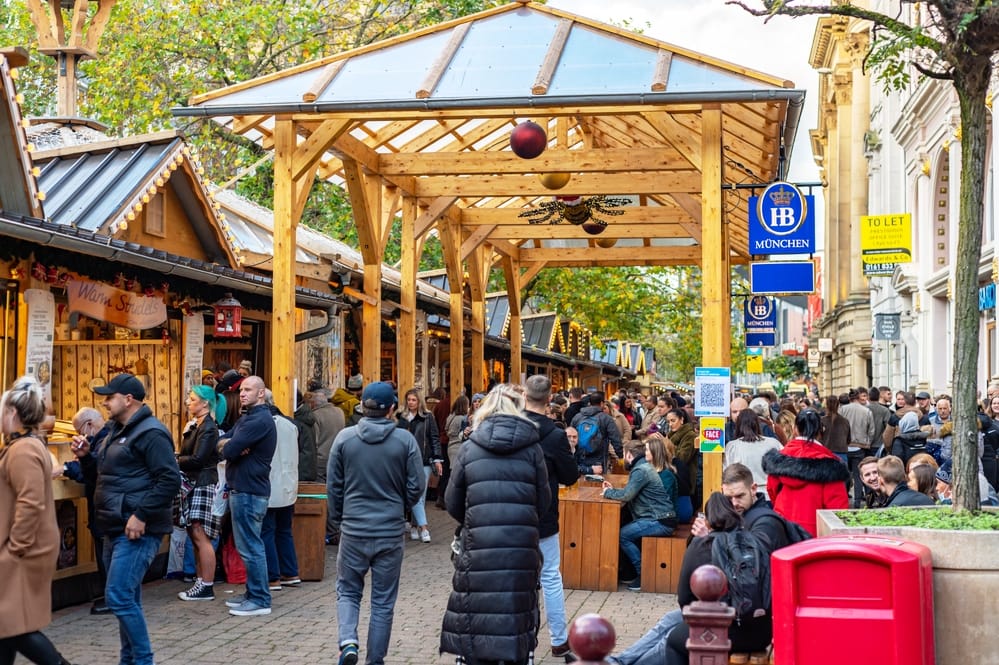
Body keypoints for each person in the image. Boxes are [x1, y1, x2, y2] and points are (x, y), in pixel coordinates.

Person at [440, 384, 550, 665]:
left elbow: (452, 500)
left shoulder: (470, 448)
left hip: (479, 546)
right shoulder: (533, 448)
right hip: (520, 546)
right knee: (516, 609)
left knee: (476, 608)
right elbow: (543, 500)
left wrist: (474, 521)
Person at [76, 373, 180, 665]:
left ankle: (142, 660)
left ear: (128, 399)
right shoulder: (115, 431)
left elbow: (169, 479)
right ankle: (130, 660)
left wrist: (140, 515)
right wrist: (86, 457)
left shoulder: (151, 432)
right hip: (114, 526)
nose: (106, 402)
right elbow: (108, 476)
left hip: (136, 530)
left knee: (119, 597)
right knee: (127, 599)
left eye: (110, 397)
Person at [327, 381, 422, 665]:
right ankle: (375, 659)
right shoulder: (405, 441)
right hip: (390, 531)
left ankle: (348, 642)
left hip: (354, 529)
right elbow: (417, 486)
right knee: (382, 600)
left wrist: (339, 519)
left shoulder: (344, 439)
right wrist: (400, 505)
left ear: (362, 406)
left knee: (347, 589)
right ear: (392, 408)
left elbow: (333, 486)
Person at [0, 376, 74, 665]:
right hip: (23, 546)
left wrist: (14, 547)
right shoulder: (25, 445)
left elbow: (29, 503)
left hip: (24, 549)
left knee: (14, 624)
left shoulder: (23, 449)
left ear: (13, 414)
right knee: (8, 622)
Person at [665, 493, 772, 665]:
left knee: (673, 641)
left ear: (707, 520)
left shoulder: (701, 545)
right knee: (671, 624)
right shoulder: (754, 540)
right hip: (762, 632)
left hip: (722, 630)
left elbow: (684, 599)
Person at [523, 375, 579, 662]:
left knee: (515, 578)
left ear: (524, 395)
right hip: (544, 516)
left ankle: (516, 639)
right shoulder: (556, 436)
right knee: (550, 577)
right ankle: (558, 640)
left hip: (510, 516)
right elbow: (570, 476)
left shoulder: (510, 427)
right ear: (549, 400)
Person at [220, 376, 277, 617]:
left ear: (261, 393)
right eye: (241, 390)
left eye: (248, 390)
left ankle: (260, 599)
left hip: (250, 491)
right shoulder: (247, 417)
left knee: (251, 547)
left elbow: (230, 449)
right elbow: (221, 443)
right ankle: (253, 593)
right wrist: (227, 445)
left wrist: (230, 446)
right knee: (248, 546)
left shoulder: (260, 420)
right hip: (243, 489)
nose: (242, 394)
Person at [602, 440, 676, 592]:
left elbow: (627, 495)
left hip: (660, 520)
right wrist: (614, 491)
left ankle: (643, 574)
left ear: (629, 454)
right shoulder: (643, 467)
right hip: (661, 517)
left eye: (623, 454)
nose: (623, 458)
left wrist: (608, 493)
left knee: (623, 535)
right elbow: (629, 492)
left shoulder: (640, 470)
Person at [762, 408, 849, 536]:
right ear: (821, 430)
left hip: (783, 526)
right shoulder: (830, 464)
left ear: (795, 429)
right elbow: (837, 509)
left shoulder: (780, 458)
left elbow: (772, 490)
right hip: (816, 531)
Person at [61, 407, 112, 614]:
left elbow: (93, 472)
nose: (79, 435)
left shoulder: (103, 440)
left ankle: (112, 598)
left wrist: (66, 468)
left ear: (89, 425)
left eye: (79, 430)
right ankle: (111, 596)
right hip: (104, 507)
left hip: (105, 507)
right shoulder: (103, 438)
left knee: (106, 553)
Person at [176, 386, 224, 602]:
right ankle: (201, 581)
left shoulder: (208, 428)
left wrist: (175, 459)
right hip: (197, 482)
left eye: (193, 398)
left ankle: (206, 584)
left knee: (200, 534)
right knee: (196, 534)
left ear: (205, 403)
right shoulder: (200, 426)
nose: (188, 401)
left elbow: (199, 459)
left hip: (203, 482)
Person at [263, 391, 300, 590]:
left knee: (267, 531)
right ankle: (290, 572)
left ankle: (272, 576)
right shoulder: (290, 425)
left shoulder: (264, 424)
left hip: (269, 484)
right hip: (288, 484)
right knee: (284, 530)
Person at [395, 388, 443, 543]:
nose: (410, 403)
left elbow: (434, 438)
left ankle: (421, 526)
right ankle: (418, 526)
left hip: (423, 460)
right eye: (408, 399)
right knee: (412, 494)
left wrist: (437, 458)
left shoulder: (428, 417)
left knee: (420, 494)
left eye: (414, 400)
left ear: (419, 401)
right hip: (404, 461)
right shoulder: (400, 416)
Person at [723, 410, 782, 499]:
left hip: (744, 497)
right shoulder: (774, 443)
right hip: (771, 495)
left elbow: (727, 473)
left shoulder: (732, 446)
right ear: (757, 424)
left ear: (738, 426)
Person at [571, 392, 623, 476]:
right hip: (599, 459)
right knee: (598, 485)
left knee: (581, 485)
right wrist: (620, 455)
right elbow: (615, 438)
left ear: (589, 403)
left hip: (580, 457)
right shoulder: (606, 418)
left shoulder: (577, 417)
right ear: (602, 403)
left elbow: (570, 436)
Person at [645, 434, 683, 522]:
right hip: (655, 516)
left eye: (646, 450)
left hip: (664, 519)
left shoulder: (666, 475)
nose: (644, 453)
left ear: (655, 452)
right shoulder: (649, 470)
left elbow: (663, 500)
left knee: (623, 534)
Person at [819, 395, 851, 464]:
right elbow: (848, 440)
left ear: (826, 405)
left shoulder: (822, 421)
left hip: (826, 452)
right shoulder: (845, 421)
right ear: (838, 405)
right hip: (841, 453)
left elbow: (818, 438)